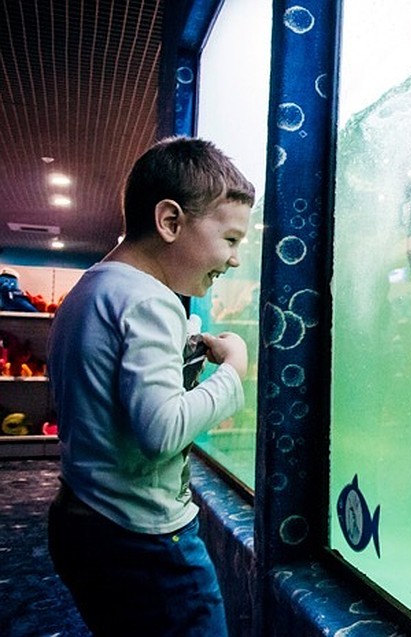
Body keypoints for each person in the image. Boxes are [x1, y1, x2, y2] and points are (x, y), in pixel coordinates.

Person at [46, 137, 254, 637]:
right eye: (229, 240)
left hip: (82, 518)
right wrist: (233, 372)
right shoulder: (151, 302)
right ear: (170, 222)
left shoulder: (91, 290)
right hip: (143, 538)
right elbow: (160, 432)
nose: (234, 260)